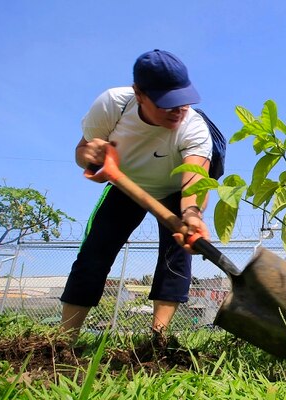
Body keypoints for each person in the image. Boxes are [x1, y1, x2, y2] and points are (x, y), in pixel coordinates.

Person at [60, 49, 212, 338]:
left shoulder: (194, 128)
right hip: (124, 186)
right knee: (94, 252)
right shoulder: (112, 105)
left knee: (175, 259)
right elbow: (82, 152)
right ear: (139, 94)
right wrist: (89, 154)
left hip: (174, 191)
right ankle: (63, 340)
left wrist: (192, 213)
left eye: (182, 101)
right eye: (166, 103)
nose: (177, 110)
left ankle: (158, 339)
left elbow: (195, 180)